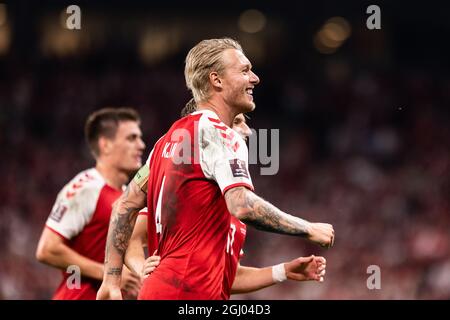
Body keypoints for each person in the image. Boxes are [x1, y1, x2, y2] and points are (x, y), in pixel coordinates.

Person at [97, 38, 334, 300]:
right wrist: (308, 228)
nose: (254, 78)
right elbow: (242, 205)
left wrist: (111, 279)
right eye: (244, 70)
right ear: (216, 80)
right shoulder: (219, 134)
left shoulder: (167, 142)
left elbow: (125, 206)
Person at [125, 111, 327, 300]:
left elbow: (228, 276)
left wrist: (283, 271)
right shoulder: (187, 193)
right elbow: (129, 234)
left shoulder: (227, 199)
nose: (247, 131)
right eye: (238, 122)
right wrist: (139, 267)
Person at [36, 108, 145, 300]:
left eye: (139, 138)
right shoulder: (87, 187)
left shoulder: (129, 197)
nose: (141, 145)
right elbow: (47, 249)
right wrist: (109, 273)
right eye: (131, 138)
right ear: (106, 145)